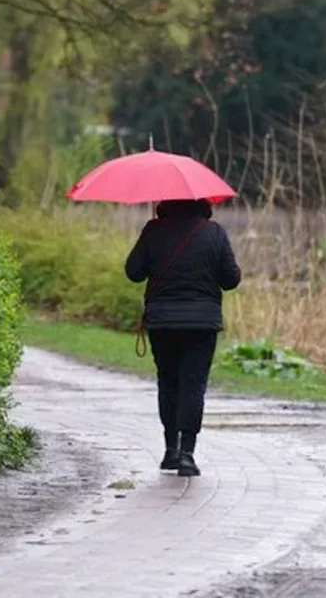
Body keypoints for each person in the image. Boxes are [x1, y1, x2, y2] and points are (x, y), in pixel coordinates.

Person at [124, 198, 242, 477]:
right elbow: (231, 279)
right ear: (201, 202)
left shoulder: (153, 230)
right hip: (202, 324)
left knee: (168, 382)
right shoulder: (214, 233)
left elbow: (133, 272)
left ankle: (170, 450)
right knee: (193, 384)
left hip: (162, 322)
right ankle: (188, 454)